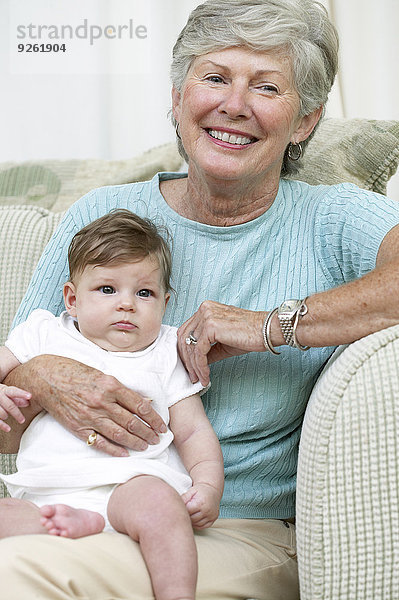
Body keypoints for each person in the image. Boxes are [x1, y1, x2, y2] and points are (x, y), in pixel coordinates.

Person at [1, 0, 399, 598]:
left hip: (229, 529)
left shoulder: (331, 218)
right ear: (177, 95)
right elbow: (11, 412)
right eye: (215, 77)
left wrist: (272, 324)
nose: (233, 105)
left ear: (306, 121)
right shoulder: (99, 216)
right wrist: (41, 375)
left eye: (266, 86)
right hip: (62, 507)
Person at [0, 210, 224, 600]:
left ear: (165, 303)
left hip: (133, 487)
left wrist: (208, 486)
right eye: (107, 289)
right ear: (72, 298)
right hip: (44, 496)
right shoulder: (42, 332)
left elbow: (192, 430)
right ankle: (77, 523)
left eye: (144, 293)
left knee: (162, 510)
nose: (126, 305)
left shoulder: (166, 351)